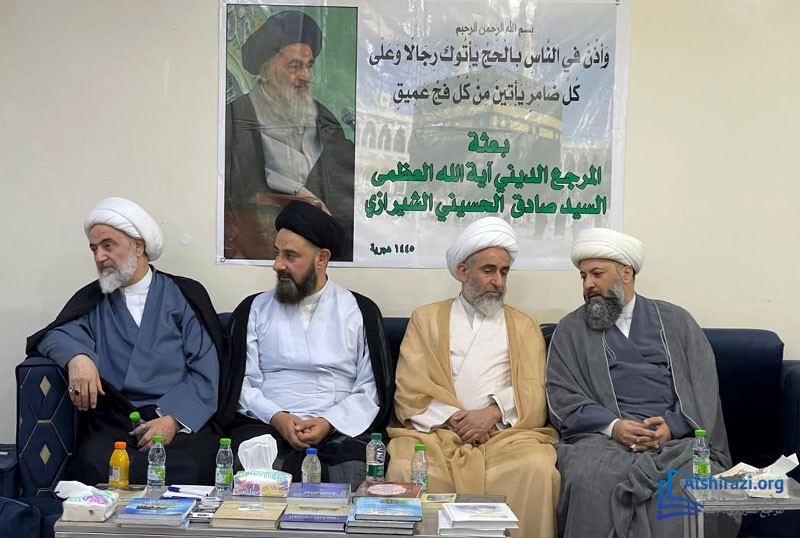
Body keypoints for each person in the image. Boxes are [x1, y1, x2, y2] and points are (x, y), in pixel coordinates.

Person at [546, 227, 738, 537]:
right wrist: (614, 427)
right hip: (602, 441)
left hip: (677, 444)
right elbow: (561, 396)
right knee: (588, 478)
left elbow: (703, 389)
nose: (588, 284)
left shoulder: (677, 322)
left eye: (597, 274)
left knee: (689, 487)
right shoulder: (571, 330)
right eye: (583, 276)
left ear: (626, 273)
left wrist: (671, 427)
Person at [27, 197, 224, 485]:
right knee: (95, 463)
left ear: (138, 246)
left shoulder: (183, 295)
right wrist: (78, 358)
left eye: (108, 245)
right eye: (94, 249)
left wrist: (173, 420)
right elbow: (56, 334)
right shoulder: (93, 300)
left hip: (176, 416)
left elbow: (205, 368)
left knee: (194, 465)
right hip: (117, 420)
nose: (99, 257)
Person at [386, 217, 560, 538]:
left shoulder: (523, 324)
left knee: (538, 466)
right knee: (403, 465)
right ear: (463, 271)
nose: (498, 281)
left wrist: (492, 413)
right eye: (489, 270)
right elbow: (410, 388)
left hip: (504, 435)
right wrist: (457, 419)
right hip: (438, 433)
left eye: (504, 272)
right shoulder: (426, 318)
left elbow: (535, 389)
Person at [224, 201, 393, 488]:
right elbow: (242, 384)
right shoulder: (253, 310)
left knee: (352, 469)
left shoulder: (359, 311)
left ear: (321, 259)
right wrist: (278, 417)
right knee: (254, 464)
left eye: (290, 256)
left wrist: (329, 422)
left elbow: (371, 388)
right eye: (276, 253)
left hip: (342, 425)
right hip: (267, 421)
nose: (278, 265)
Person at [225, 9, 355, 261]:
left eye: (308, 67)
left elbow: (345, 179)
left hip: (322, 255)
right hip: (263, 254)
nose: (305, 76)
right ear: (264, 71)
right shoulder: (237, 118)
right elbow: (236, 194)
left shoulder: (322, 117)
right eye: (295, 66)